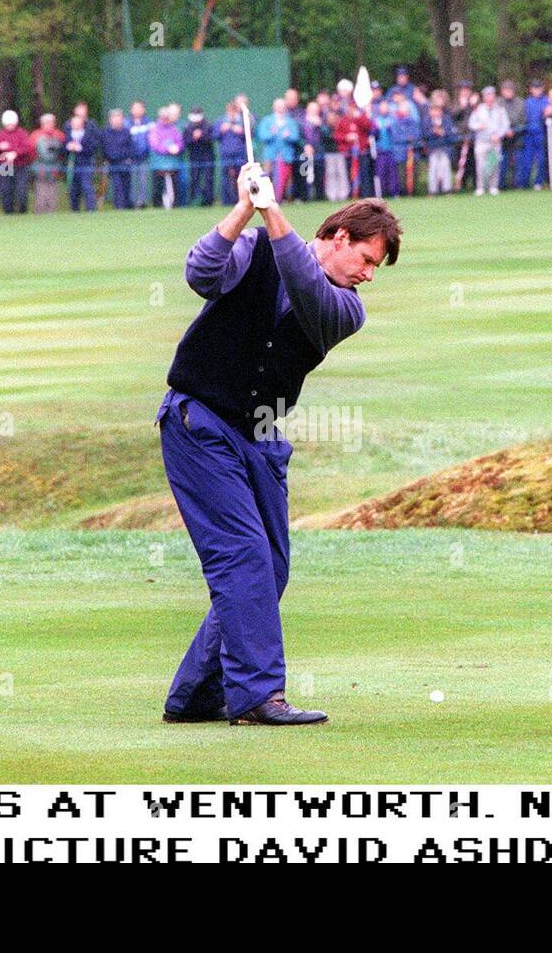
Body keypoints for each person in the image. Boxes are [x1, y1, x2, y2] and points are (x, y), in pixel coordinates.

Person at [159, 175, 402, 727]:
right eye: (365, 258)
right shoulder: (252, 248)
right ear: (338, 236)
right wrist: (245, 209)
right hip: (199, 419)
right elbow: (200, 274)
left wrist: (274, 215)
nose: (367, 274)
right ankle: (255, 696)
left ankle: (196, 693)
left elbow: (305, 281)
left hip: (263, 434)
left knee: (270, 568)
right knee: (242, 556)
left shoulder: (345, 309)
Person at [256, 98, 300, 202]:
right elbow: (262, 136)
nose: (280, 108)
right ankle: (267, 199)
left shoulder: (291, 121)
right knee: (267, 178)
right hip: (270, 156)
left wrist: (288, 136)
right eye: (278, 106)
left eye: (282, 106)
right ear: (274, 107)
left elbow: (296, 136)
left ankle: (285, 199)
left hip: (286, 156)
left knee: (286, 180)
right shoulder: (267, 120)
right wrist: (272, 133)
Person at [468, 85, 508, 195]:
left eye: (492, 95)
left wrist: (498, 135)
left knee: (494, 164)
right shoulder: (478, 109)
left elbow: (505, 125)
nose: (490, 97)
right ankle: (480, 187)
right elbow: (471, 124)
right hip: (482, 141)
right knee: (480, 165)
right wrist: (479, 126)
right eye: (487, 95)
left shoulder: (500, 110)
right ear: (484, 97)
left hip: (495, 141)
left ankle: (493, 186)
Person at [0, 109, 35, 213]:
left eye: (12, 124)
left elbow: (28, 148)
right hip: (5, 166)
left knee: (22, 191)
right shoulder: (1, 135)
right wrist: (0, 148)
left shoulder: (22, 133)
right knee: (6, 190)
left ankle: (22, 212)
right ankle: (8, 212)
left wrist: (15, 153)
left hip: (21, 166)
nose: (10, 126)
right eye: (8, 125)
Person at [64, 104, 98, 212]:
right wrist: (68, 147)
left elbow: (93, 147)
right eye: (73, 123)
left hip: (86, 164)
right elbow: (62, 149)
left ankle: (91, 210)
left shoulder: (89, 131)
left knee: (87, 187)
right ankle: (75, 210)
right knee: (73, 189)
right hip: (72, 165)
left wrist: (81, 148)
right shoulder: (67, 133)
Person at [148, 106, 184, 209]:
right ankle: (157, 206)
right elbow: (155, 144)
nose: (165, 120)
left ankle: (174, 205)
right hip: (158, 164)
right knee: (158, 188)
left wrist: (177, 148)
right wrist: (168, 149)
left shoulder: (174, 129)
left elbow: (180, 142)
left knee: (174, 188)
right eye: (163, 117)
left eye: (167, 117)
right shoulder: (154, 129)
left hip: (173, 164)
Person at [422, 92, 458, 195]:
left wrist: (443, 133)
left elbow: (451, 136)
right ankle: (432, 191)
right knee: (433, 167)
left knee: (445, 166)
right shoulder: (426, 121)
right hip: (432, 149)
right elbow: (424, 134)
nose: (435, 112)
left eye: (437, 110)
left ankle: (447, 189)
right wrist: (433, 132)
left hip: (445, 148)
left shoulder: (447, 120)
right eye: (433, 110)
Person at [30, 113, 66, 214]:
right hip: (40, 170)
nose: (50, 125)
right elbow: (31, 154)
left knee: (53, 195)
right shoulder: (35, 136)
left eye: (52, 122)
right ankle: (39, 213)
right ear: (42, 124)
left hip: (54, 170)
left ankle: (52, 214)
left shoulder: (59, 135)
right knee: (41, 194)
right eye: (47, 122)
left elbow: (63, 152)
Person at [100, 109, 134, 210]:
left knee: (127, 187)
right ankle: (119, 208)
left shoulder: (126, 132)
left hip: (126, 165)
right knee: (118, 187)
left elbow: (130, 148)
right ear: (110, 119)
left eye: (119, 118)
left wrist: (127, 158)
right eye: (114, 118)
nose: (116, 120)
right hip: (113, 165)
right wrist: (112, 158)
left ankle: (127, 208)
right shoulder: (105, 132)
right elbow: (106, 150)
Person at [389, 95, 421, 195]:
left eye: (405, 109)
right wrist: (407, 138)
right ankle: (403, 192)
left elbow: (417, 135)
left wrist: (411, 139)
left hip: (412, 151)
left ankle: (413, 191)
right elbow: (396, 136)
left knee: (414, 172)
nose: (404, 111)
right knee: (401, 173)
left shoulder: (414, 122)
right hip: (400, 152)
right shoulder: (395, 123)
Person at [520, 80, 549, 190]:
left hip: (540, 133)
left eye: (538, 88)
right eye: (534, 88)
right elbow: (523, 118)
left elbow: (549, 114)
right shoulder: (527, 102)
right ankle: (524, 182)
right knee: (527, 159)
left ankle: (538, 182)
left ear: (541, 89)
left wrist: (548, 113)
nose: (536, 91)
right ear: (531, 89)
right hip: (528, 134)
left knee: (541, 159)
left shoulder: (546, 101)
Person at [183, 105, 215, 207]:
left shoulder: (208, 125)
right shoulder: (188, 126)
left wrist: (202, 135)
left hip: (207, 157)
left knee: (208, 178)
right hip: (194, 157)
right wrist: (193, 137)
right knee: (194, 178)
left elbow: (212, 138)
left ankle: (208, 200)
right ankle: (193, 200)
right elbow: (186, 141)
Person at [498, 80, 525, 190]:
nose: (508, 92)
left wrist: (513, 129)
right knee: (501, 162)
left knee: (518, 162)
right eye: (505, 90)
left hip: (517, 136)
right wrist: (505, 130)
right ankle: (501, 185)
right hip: (502, 139)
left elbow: (523, 119)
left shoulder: (520, 102)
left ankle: (519, 184)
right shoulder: (498, 102)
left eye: (510, 90)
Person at [127, 101, 153, 208]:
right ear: (131, 110)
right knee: (132, 181)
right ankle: (132, 202)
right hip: (131, 158)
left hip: (144, 157)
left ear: (144, 110)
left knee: (143, 180)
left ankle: (142, 202)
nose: (137, 110)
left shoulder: (149, 123)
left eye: (139, 108)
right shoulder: (126, 123)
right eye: (135, 108)